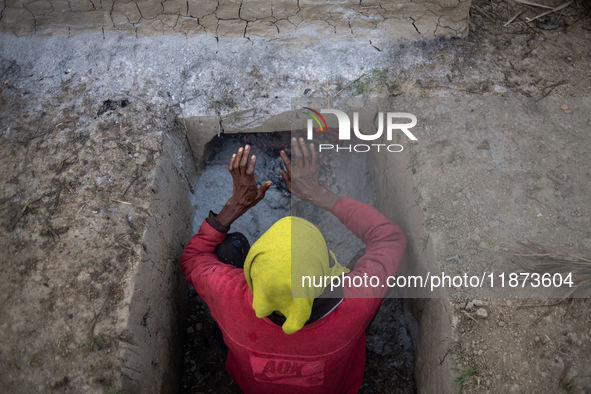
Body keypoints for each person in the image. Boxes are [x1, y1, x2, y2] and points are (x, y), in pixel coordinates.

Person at [180, 137, 407, 393]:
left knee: (226, 248)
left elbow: (193, 258)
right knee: (370, 268)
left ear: (254, 271)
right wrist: (323, 196)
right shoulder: (354, 306)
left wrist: (233, 207)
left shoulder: (227, 296)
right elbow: (389, 238)